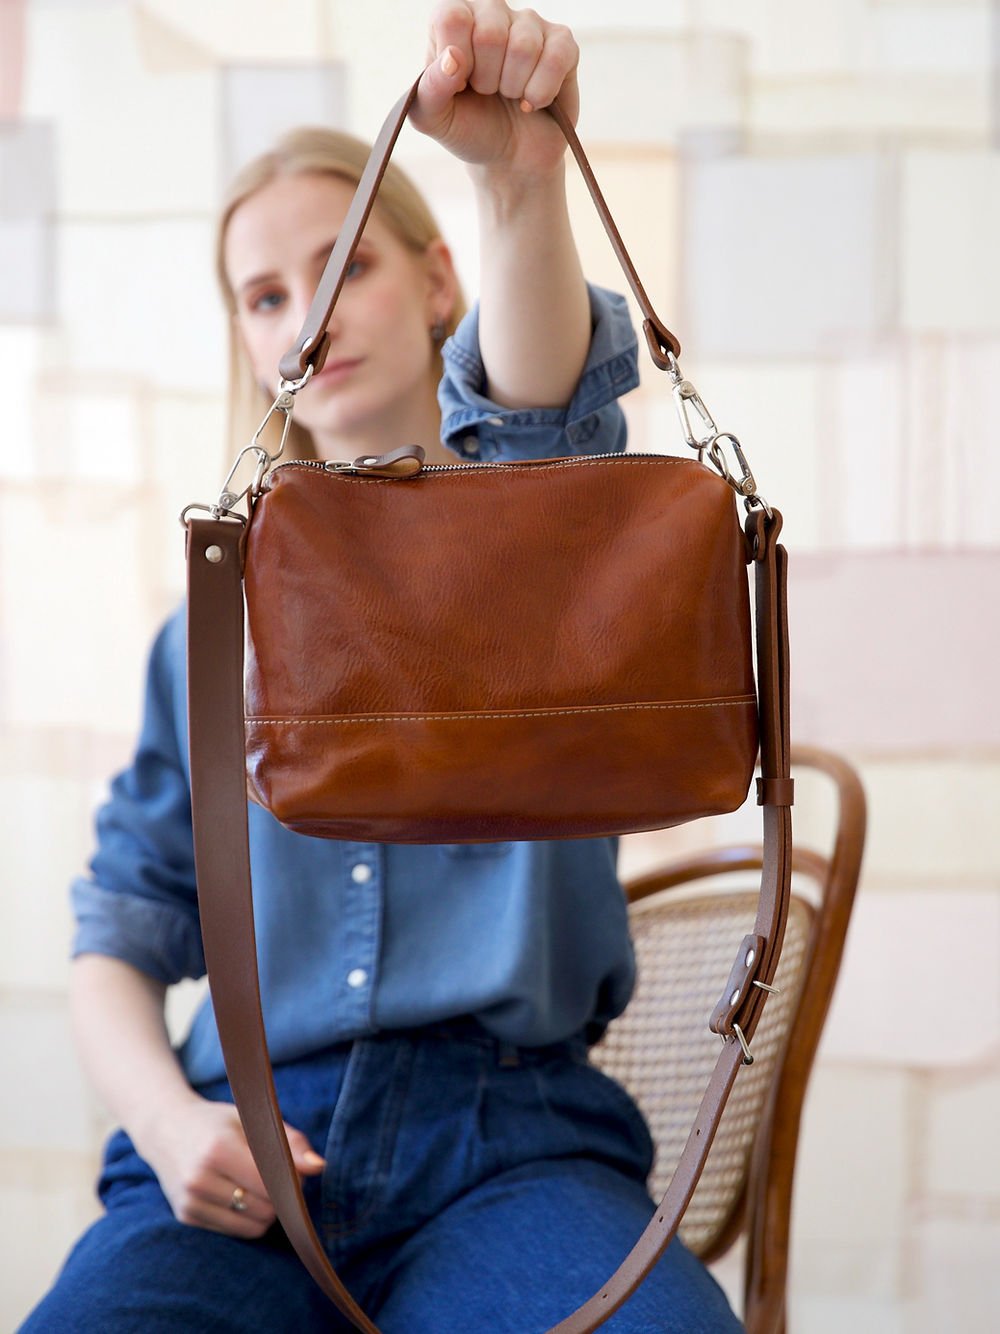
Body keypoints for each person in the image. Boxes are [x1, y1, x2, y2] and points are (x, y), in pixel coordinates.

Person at [22, 3, 741, 1330]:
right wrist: (173, 1124)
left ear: (436, 282)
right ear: (250, 343)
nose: (310, 308)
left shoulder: (547, 552)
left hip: (511, 1148)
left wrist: (517, 179)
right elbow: (120, 924)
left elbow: (539, 413)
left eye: (342, 263)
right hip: (242, 1147)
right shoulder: (208, 633)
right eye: (267, 292)